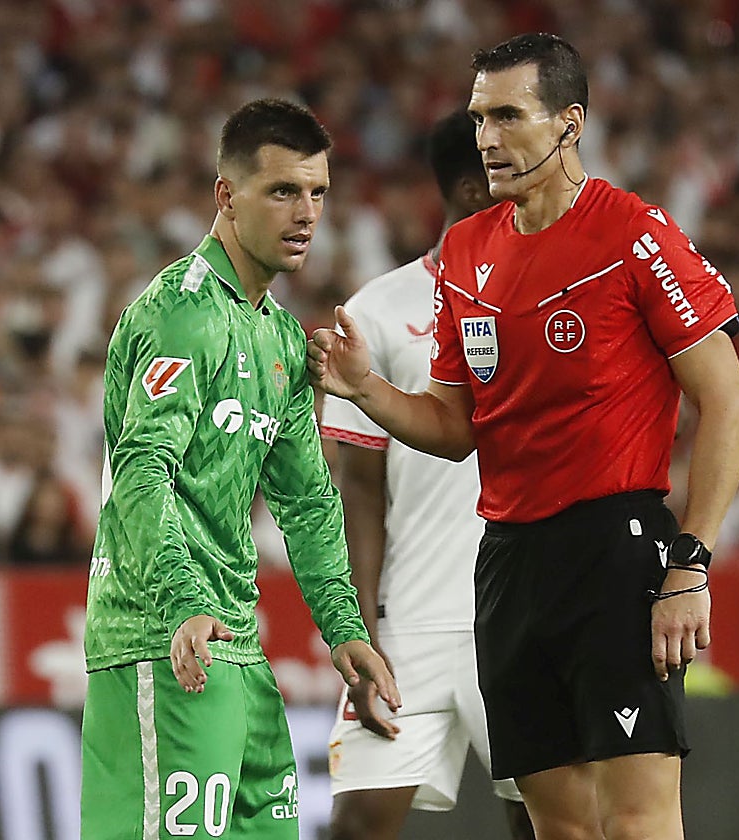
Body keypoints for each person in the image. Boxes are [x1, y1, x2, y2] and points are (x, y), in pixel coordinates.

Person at [309, 34, 739, 840]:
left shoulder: (633, 232)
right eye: (480, 117)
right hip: (508, 561)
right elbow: (451, 428)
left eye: (509, 115)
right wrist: (364, 387)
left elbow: (729, 404)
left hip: (615, 550)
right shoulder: (471, 251)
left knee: (636, 823)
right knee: (562, 830)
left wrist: (691, 564)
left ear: (569, 123)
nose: (487, 137)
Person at [81, 98, 399, 840]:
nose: (307, 213)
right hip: (163, 639)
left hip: (240, 652)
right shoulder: (180, 313)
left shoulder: (282, 338)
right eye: (283, 190)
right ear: (227, 196)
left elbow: (309, 501)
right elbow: (141, 468)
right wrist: (185, 600)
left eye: (318, 192)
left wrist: (344, 627)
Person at [322, 110, 533, 840]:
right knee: (357, 823)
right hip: (410, 619)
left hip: (519, 612)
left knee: (543, 822)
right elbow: (359, 485)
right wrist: (360, 620)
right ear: (476, 189)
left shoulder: (545, 298)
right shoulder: (378, 309)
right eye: (515, 172)